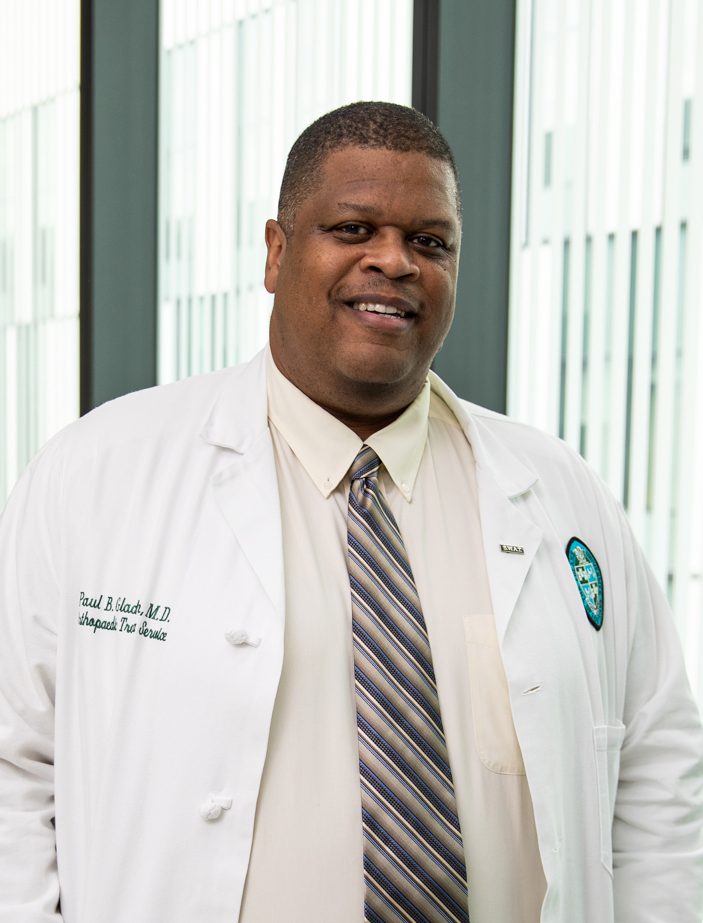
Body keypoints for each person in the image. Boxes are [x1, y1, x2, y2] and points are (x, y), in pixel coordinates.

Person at [0, 102, 701, 923]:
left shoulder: (559, 491)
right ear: (274, 252)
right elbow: (16, 771)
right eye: (353, 227)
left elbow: (657, 776)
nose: (394, 261)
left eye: (429, 241)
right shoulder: (97, 472)